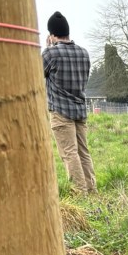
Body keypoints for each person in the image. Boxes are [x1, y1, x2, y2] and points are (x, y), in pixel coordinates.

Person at [42, 11, 96, 193]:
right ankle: (91, 189)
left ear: (52, 34)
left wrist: (48, 48)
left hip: (60, 111)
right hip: (80, 110)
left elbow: (37, 74)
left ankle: (79, 192)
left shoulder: (50, 54)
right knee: (83, 152)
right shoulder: (84, 53)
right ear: (67, 32)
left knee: (69, 153)